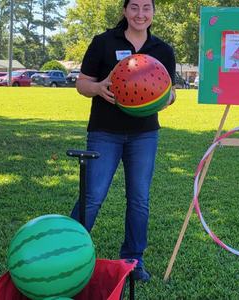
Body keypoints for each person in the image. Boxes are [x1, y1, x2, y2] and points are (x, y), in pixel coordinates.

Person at [70, 0, 176, 282]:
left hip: (144, 135)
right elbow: (82, 83)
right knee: (93, 196)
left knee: (139, 199)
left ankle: (133, 260)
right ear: (125, 11)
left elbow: (170, 91)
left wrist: (168, 97)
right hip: (105, 132)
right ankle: (66, 251)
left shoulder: (162, 50)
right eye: (134, 7)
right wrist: (98, 87)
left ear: (153, 12)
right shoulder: (104, 42)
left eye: (146, 8)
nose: (140, 14)